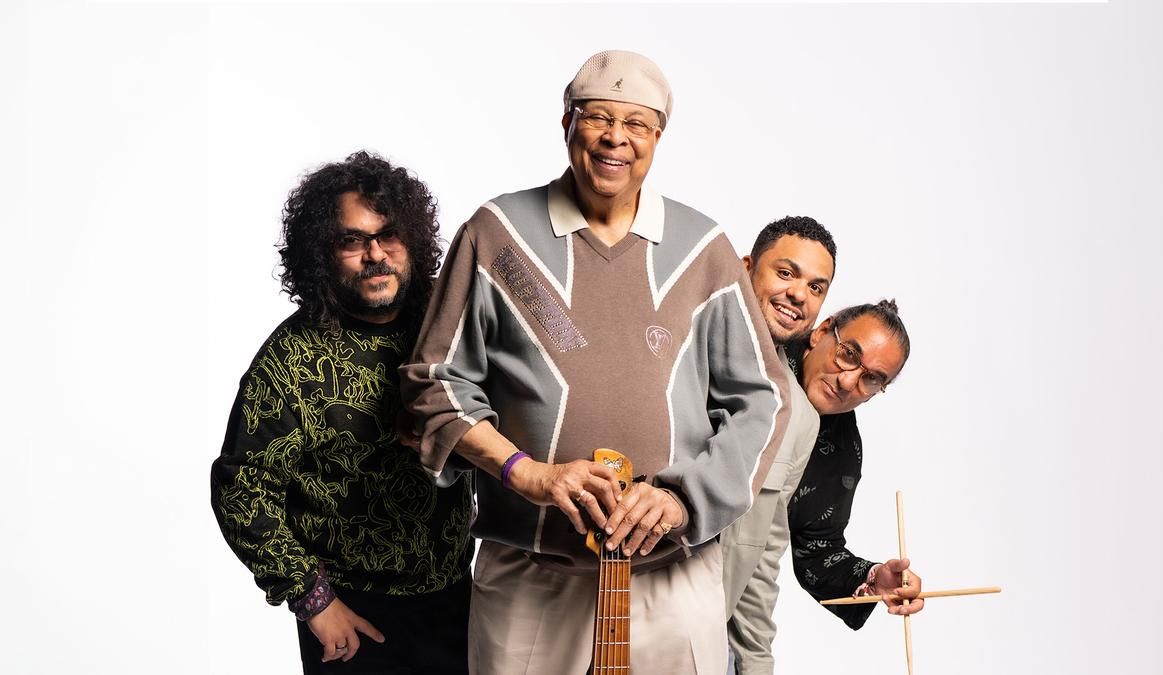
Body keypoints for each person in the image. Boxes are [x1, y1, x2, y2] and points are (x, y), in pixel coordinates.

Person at [399, 50, 791, 675]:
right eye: (598, 118)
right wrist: (529, 475)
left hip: (673, 571)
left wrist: (684, 500)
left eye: (636, 124)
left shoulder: (705, 250)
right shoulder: (496, 235)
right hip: (530, 571)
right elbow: (435, 386)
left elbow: (762, 399)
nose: (616, 138)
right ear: (567, 123)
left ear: (658, 137)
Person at [211, 151, 474, 674]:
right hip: (351, 612)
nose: (376, 254)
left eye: (389, 236)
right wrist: (314, 601)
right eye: (352, 241)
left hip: (457, 597)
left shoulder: (448, 326)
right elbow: (241, 488)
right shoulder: (290, 360)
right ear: (323, 254)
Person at [723, 298, 922, 674]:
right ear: (822, 331)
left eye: (872, 379)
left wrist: (873, 579)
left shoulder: (841, 453)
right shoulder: (756, 352)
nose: (848, 382)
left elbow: (816, 550)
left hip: (719, 611)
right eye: (849, 354)